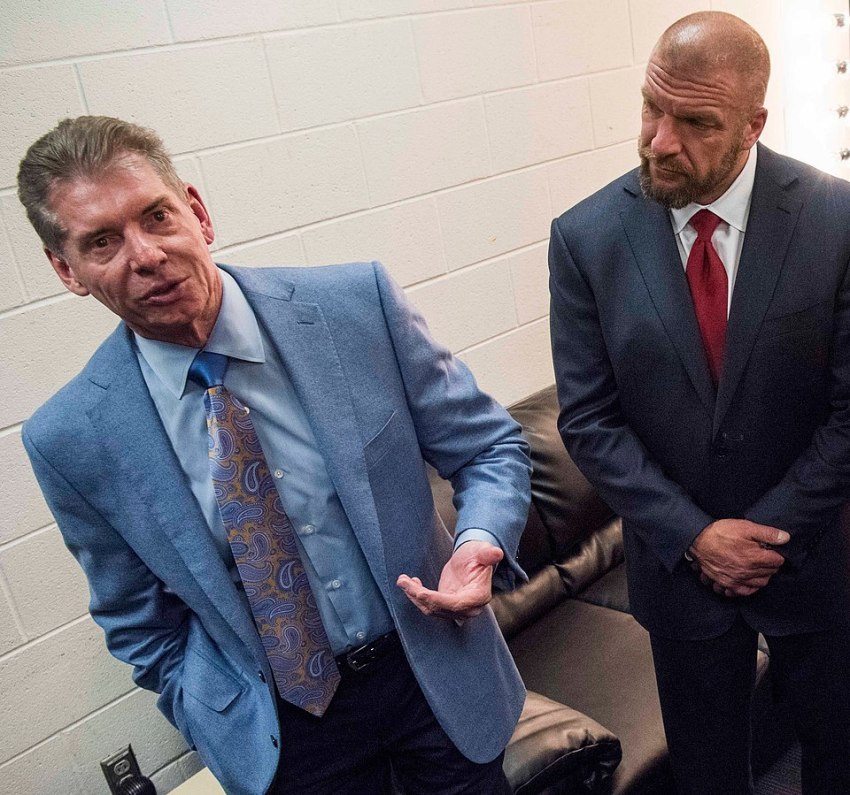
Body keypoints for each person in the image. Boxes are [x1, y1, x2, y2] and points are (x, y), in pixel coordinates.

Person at [17, 116, 531, 795]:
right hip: (290, 743)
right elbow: (136, 620)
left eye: (157, 216)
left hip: (433, 681)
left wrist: (480, 538)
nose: (144, 255)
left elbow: (488, 447)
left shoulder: (355, 307)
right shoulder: (70, 438)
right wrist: (207, 711)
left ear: (197, 212)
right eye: (102, 242)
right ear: (67, 270)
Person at [549, 11, 850, 795]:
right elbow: (588, 418)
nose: (659, 140)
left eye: (695, 122)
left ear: (753, 125)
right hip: (680, 577)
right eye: (651, 106)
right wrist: (697, 536)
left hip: (817, 559)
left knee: (838, 750)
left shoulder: (837, 221)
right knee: (708, 774)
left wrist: (769, 533)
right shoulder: (585, 238)